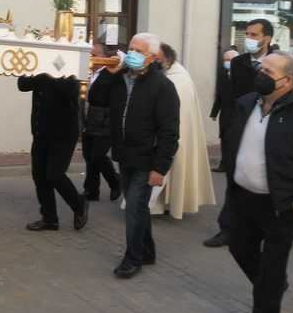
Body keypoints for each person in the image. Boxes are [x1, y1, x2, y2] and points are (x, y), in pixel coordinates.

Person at [225, 51, 293, 313]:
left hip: (282, 204)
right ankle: (272, 287)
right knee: (239, 248)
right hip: (243, 196)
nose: (260, 74)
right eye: (261, 68)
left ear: (287, 82)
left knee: (272, 263)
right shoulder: (246, 103)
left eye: (268, 72)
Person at [109, 33, 179, 278]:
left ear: (151, 57)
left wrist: (160, 168)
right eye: (131, 49)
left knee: (133, 209)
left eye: (139, 51)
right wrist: (111, 73)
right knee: (138, 207)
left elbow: (170, 131)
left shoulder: (162, 86)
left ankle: (133, 258)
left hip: (146, 158)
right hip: (124, 154)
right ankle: (147, 251)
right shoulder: (120, 78)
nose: (132, 54)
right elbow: (97, 99)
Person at [204, 18, 274, 248]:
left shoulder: (278, 63)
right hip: (241, 128)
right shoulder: (238, 63)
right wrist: (230, 129)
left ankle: (270, 230)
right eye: (247, 34)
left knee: (268, 181)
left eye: (254, 35)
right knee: (235, 178)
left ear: (267, 38)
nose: (249, 40)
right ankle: (227, 229)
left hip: (270, 129)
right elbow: (231, 98)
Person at [150, 44, 215, 219]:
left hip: (173, 135)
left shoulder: (179, 79)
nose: (153, 62)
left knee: (171, 168)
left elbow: (177, 114)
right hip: (158, 134)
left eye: (156, 59)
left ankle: (167, 204)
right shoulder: (163, 74)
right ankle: (156, 204)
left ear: (167, 60)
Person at [18, 74, 88, 232]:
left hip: (63, 132)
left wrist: (50, 74)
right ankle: (49, 219)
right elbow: (22, 84)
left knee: (55, 174)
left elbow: (71, 89)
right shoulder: (37, 66)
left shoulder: (68, 65)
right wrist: (40, 72)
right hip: (41, 131)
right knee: (39, 175)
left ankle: (79, 204)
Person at [82, 43, 120, 202]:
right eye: (90, 54)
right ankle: (91, 190)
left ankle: (116, 181)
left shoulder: (111, 74)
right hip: (89, 119)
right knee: (88, 156)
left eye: (95, 54)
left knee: (98, 155)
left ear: (104, 57)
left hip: (106, 120)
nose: (92, 57)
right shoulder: (86, 72)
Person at [210, 49, 239, 172]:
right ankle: (224, 164)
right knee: (224, 139)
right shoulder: (223, 75)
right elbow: (220, 96)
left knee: (235, 141)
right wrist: (214, 112)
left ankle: (234, 165)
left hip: (237, 115)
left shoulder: (242, 77)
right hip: (225, 114)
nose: (226, 62)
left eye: (229, 60)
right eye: (225, 60)